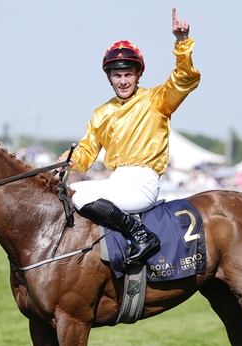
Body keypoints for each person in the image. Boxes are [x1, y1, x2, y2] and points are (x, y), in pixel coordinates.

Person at [57, 7, 201, 266]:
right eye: (117, 75)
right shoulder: (102, 113)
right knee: (67, 191)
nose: (123, 81)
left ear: (138, 75)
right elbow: (87, 151)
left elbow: (185, 79)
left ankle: (141, 236)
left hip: (143, 182)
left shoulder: (156, 100)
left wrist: (182, 42)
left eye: (128, 74)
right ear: (109, 78)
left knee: (76, 193)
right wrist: (70, 160)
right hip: (117, 180)